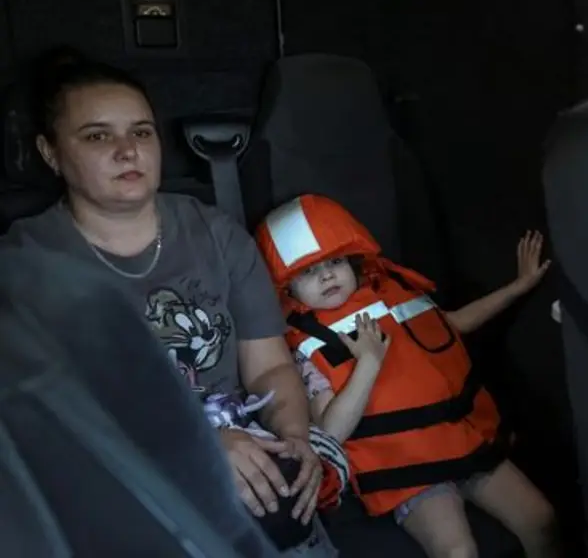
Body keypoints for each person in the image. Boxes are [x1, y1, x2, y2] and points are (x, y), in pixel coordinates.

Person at [0, 58, 339, 556]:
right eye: (97, 136)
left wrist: (295, 440)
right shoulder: (26, 261)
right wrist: (196, 449)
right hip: (115, 469)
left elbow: (268, 367)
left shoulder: (217, 235)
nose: (127, 150)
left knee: (284, 504)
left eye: (141, 131)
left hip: (239, 447)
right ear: (51, 153)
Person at [254, 193, 561, 558]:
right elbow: (331, 430)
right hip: (405, 467)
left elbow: (455, 323)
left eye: (335, 261)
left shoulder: (391, 294)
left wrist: (519, 286)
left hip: (463, 439)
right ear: (287, 288)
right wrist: (368, 363)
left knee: (542, 519)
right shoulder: (303, 348)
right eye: (308, 271)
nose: (326, 275)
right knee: (459, 552)